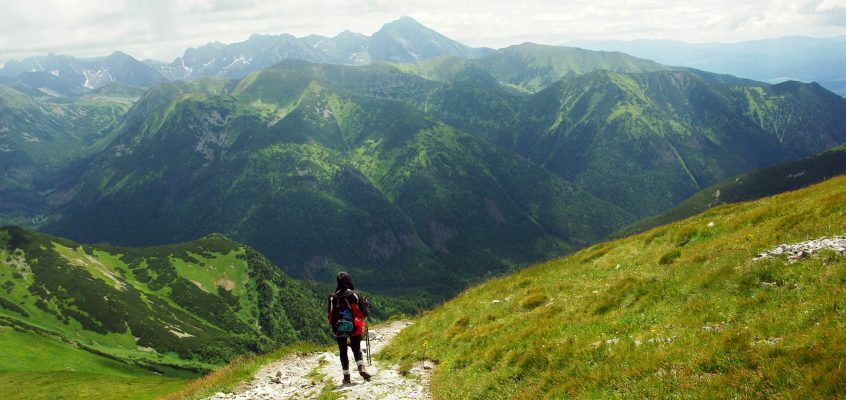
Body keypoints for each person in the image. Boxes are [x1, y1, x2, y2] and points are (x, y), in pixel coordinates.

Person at [328, 271, 372, 383]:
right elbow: (364, 313)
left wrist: (334, 326)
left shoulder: (333, 297)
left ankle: (346, 377)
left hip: (338, 328)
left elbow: (330, 315)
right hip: (355, 327)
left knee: (343, 351)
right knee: (356, 347)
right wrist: (366, 306)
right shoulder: (354, 295)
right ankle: (361, 367)